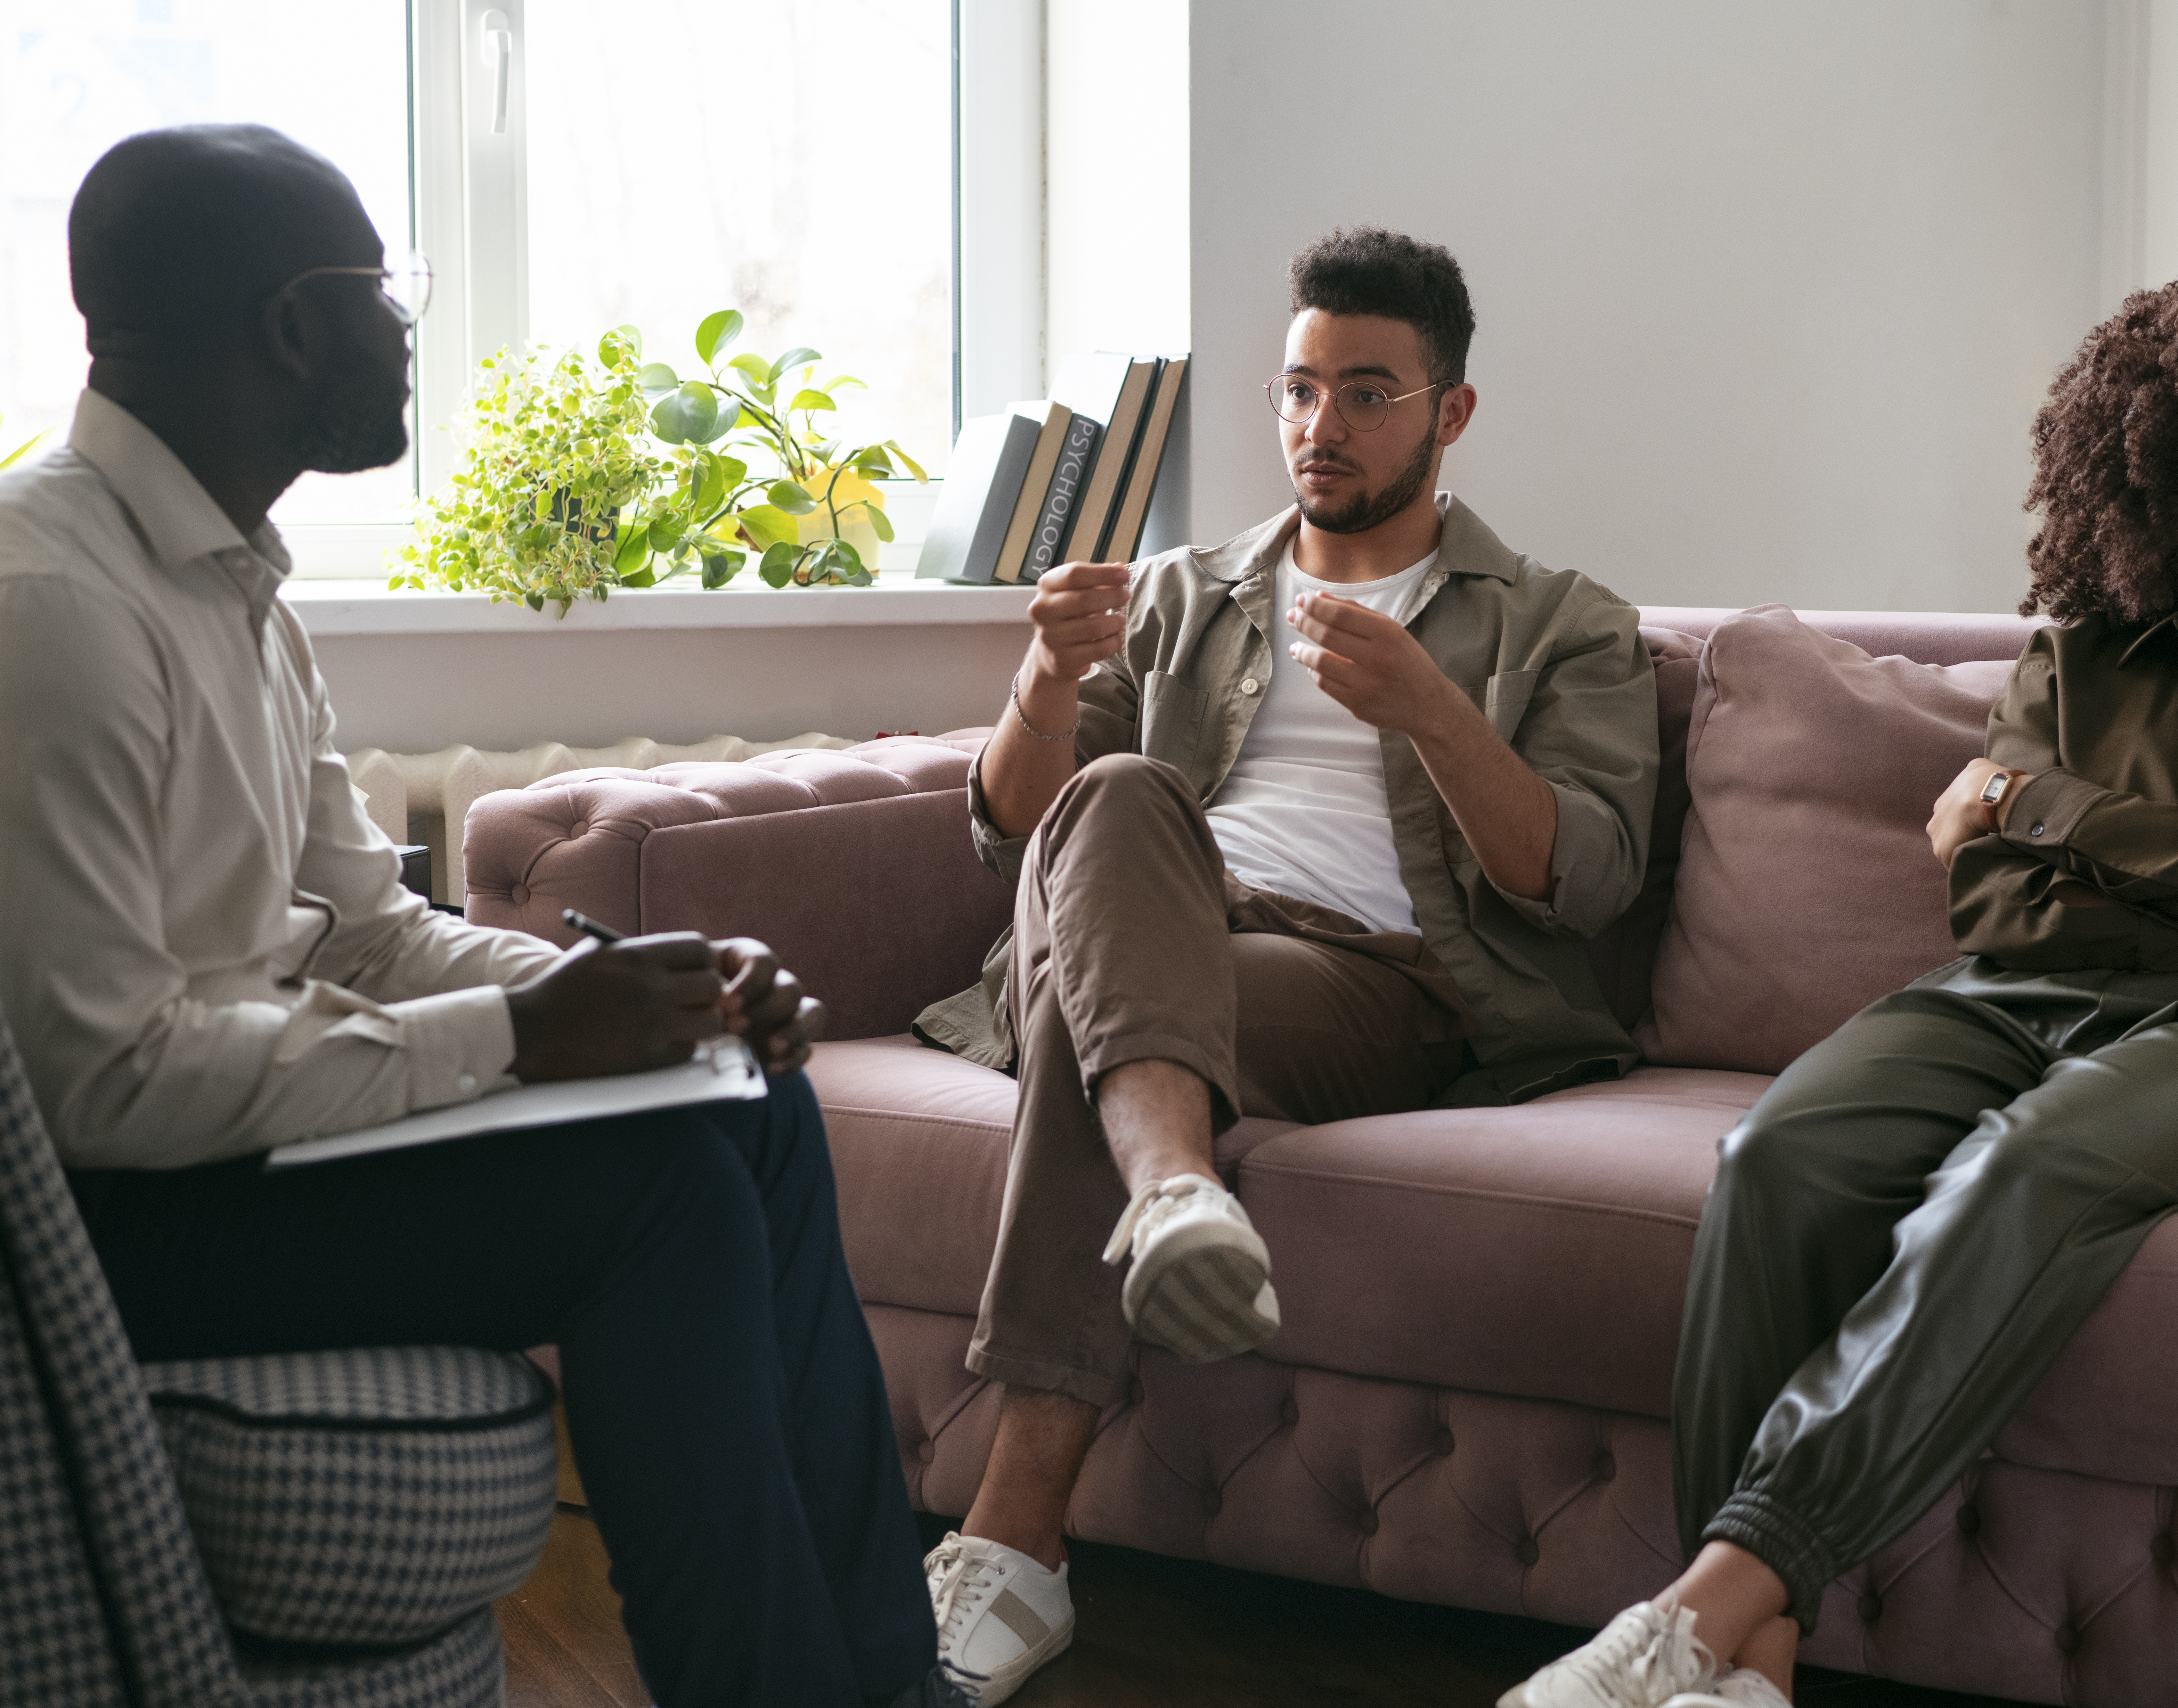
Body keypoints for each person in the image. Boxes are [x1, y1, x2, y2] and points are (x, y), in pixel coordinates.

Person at [0, 125, 961, 1708]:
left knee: (747, 1102)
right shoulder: (58, 612)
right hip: (121, 1216)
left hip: (231, 1147)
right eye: (388, 290)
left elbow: (372, 928)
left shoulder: (230, 584)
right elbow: (96, 1090)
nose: (407, 329)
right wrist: (520, 1037)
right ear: (293, 325)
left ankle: (883, 1687)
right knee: (656, 1191)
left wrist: (633, 992)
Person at [1503, 255, 2178, 1708]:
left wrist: (2040, 809)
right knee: (1774, 1151)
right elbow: (1992, 905)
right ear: (2175, 485)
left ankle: (1701, 1606)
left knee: (2026, 1165)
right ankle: (1749, 1662)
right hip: (2038, 994)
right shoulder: (2079, 660)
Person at [909, 227, 1660, 1701]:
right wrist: (1043, 681)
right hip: (1162, 928)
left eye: (1368, 393)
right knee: (1119, 794)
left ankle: (1014, 1534)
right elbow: (1017, 832)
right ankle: (1177, 1193)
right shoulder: (1185, 590)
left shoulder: (1565, 622)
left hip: (1371, 981)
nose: (1321, 428)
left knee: (1093, 1004)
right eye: (1300, 390)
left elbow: (1577, 880)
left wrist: (1435, 712)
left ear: (1449, 412)